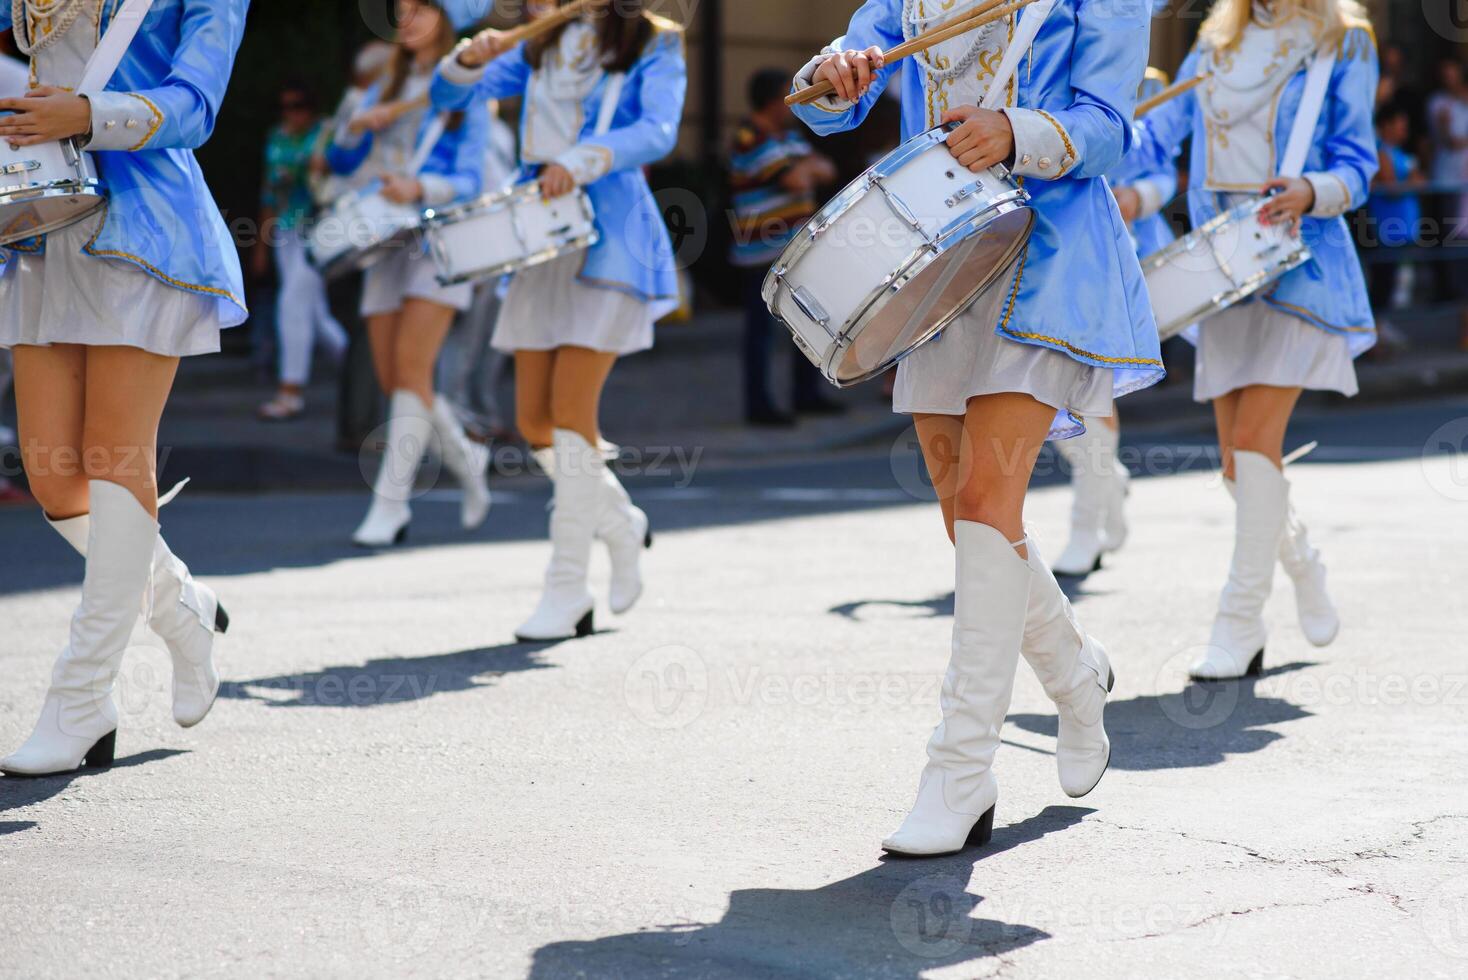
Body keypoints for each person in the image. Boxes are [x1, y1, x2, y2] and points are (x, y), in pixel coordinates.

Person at [792, 0, 1161, 856]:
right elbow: (842, 80)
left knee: (989, 503)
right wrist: (834, 69)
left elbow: (1111, 129)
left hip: (1050, 255)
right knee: (965, 516)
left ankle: (959, 774)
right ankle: (1077, 675)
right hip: (937, 258)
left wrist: (1015, 131)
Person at [0, 0, 247, 776]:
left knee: (112, 454)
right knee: (51, 475)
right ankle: (180, 606)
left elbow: (196, 104)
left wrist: (86, 112)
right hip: (43, 219)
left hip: (147, 225)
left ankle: (81, 701)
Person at [1133, 0, 1379, 681]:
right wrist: (1093, 130)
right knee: (1237, 464)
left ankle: (1239, 624)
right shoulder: (1215, 40)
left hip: (1300, 262)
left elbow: (1359, 163)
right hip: (1221, 271)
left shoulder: (1343, 40)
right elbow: (1154, 139)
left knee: (1252, 445)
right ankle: (1302, 561)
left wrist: (1311, 187)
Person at [432, 0, 686, 642]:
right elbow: (449, 95)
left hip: (610, 234)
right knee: (534, 422)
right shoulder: (538, 42)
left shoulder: (655, 41)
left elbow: (658, 130)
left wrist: (583, 158)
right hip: (539, 235)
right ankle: (619, 522)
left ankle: (568, 587)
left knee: (571, 418)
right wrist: (468, 57)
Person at [325, 0, 492, 547]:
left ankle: (389, 506)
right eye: (400, 11)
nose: (407, 19)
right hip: (383, 239)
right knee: (399, 380)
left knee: (413, 374)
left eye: (420, 9)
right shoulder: (385, 81)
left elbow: (471, 176)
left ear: (445, 15)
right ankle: (467, 458)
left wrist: (420, 188)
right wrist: (354, 128)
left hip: (442, 239)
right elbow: (342, 161)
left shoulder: (469, 81)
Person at [1048, 63, 1180, 577]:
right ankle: (1108, 479)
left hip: (1123, 257)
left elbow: (1164, 171)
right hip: (1051, 248)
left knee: (1090, 387)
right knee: (1045, 397)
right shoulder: (1047, 58)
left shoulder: (1147, 80)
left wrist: (1137, 198)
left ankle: (1086, 528)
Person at [729, 68, 842, 427]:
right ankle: (759, 407)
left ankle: (805, 395)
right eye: (786, 97)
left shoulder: (787, 138)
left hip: (795, 251)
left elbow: (828, 170)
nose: (793, 104)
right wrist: (802, 169)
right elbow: (797, 179)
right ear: (770, 100)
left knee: (807, 326)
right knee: (761, 334)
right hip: (761, 253)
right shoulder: (749, 136)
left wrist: (802, 169)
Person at [255, 79, 348, 422]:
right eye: (285, 107)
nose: (291, 114)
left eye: (298, 106)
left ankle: (290, 392)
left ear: (311, 107)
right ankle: (361, 373)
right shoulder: (277, 137)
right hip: (286, 228)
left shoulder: (329, 133)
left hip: (322, 228)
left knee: (293, 303)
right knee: (316, 314)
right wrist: (261, 246)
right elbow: (269, 192)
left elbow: (342, 172)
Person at [1367, 100, 1424, 336]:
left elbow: (1419, 180)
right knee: (1382, 284)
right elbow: (1393, 186)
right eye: (1400, 125)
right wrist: (1411, 182)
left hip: (1400, 231)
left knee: (1391, 284)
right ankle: (1374, 336)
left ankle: (1380, 332)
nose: (1404, 129)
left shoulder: (1398, 153)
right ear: (1386, 126)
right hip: (1385, 230)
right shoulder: (1381, 152)